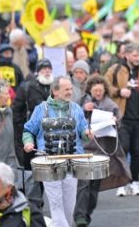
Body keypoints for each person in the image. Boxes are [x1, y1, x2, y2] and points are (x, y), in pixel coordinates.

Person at [23, 77, 92, 227]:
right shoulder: (41, 109)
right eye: (66, 89)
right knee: (55, 203)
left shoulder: (76, 108)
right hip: (49, 162)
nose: (70, 92)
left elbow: (83, 131)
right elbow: (28, 130)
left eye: (70, 89)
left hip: (72, 162)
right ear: (55, 91)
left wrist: (87, 133)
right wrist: (28, 142)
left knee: (69, 205)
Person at [74, 75, 123, 227]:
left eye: (100, 90)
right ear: (90, 90)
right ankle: (80, 216)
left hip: (102, 149)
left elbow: (119, 120)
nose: (98, 93)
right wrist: (83, 109)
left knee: (95, 185)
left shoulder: (110, 105)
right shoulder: (82, 102)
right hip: (85, 148)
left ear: (104, 90)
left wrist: (115, 120)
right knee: (83, 183)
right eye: (95, 90)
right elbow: (73, 118)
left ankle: (87, 213)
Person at [106, 42, 139, 197]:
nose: (138, 58)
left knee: (137, 151)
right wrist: (119, 91)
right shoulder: (116, 70)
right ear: (126, 55)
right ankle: (121, 183)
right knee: (123, 149)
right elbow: (105, 87)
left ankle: (135, 183)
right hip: (122, 117)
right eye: (135, 55)